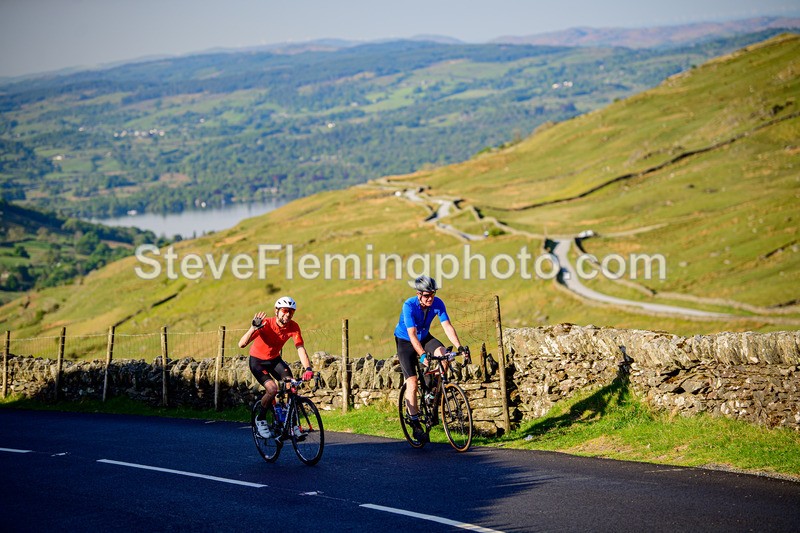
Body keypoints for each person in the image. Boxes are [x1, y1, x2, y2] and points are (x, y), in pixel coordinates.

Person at [394, 275, 464, 443]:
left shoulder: (438, 303)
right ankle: (416, 423)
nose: (430, 298)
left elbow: (447, 326)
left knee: (444, 356)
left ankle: (431, 391)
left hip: (424, 337)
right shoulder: (409, 306)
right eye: (426, 295)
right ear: (419, 294)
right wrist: (422, 354)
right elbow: (411, 334)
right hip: (406, 341)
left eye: (432, 294)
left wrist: (459, 346)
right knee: (412, 382)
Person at [239, 296, 314, 438]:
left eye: (291, 312)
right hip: (257, 361)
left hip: (274, 360)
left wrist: (308, 368)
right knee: (272, 389)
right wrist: (252, 328)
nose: (287, 315)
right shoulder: (265, 324)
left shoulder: (293, 327)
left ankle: (291, 425)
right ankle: (260, 419)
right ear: (276, 311)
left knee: (291, 386)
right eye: (285, 311)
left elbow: (300, 348)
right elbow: (241, 344)